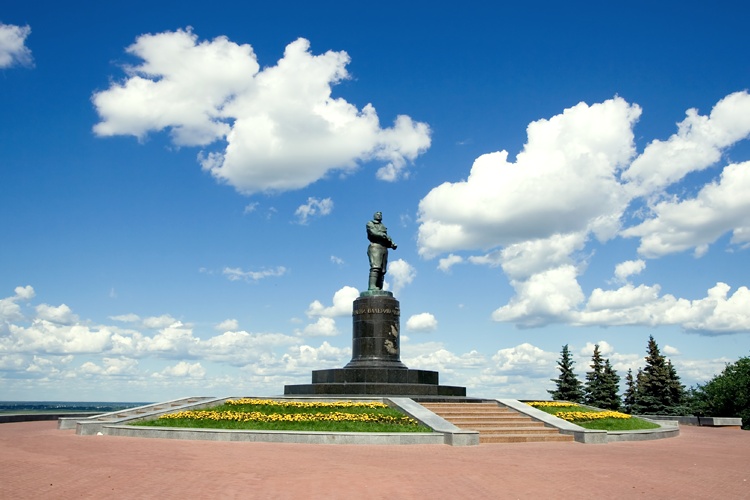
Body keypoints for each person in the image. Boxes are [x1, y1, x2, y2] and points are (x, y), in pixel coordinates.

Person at [366, 211, 397, 290]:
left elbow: (385, 238)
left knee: (383, 270)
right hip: (375, 247)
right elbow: (373, 232)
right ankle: (372, 286)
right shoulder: (370, 223)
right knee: (376, 267)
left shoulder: (383, 226)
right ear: (374, 216)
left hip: (384, 248)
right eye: (377, 214)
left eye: (380, 215)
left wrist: (391, 244)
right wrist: (382, 235)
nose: (379, 216)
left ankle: (379, 288)